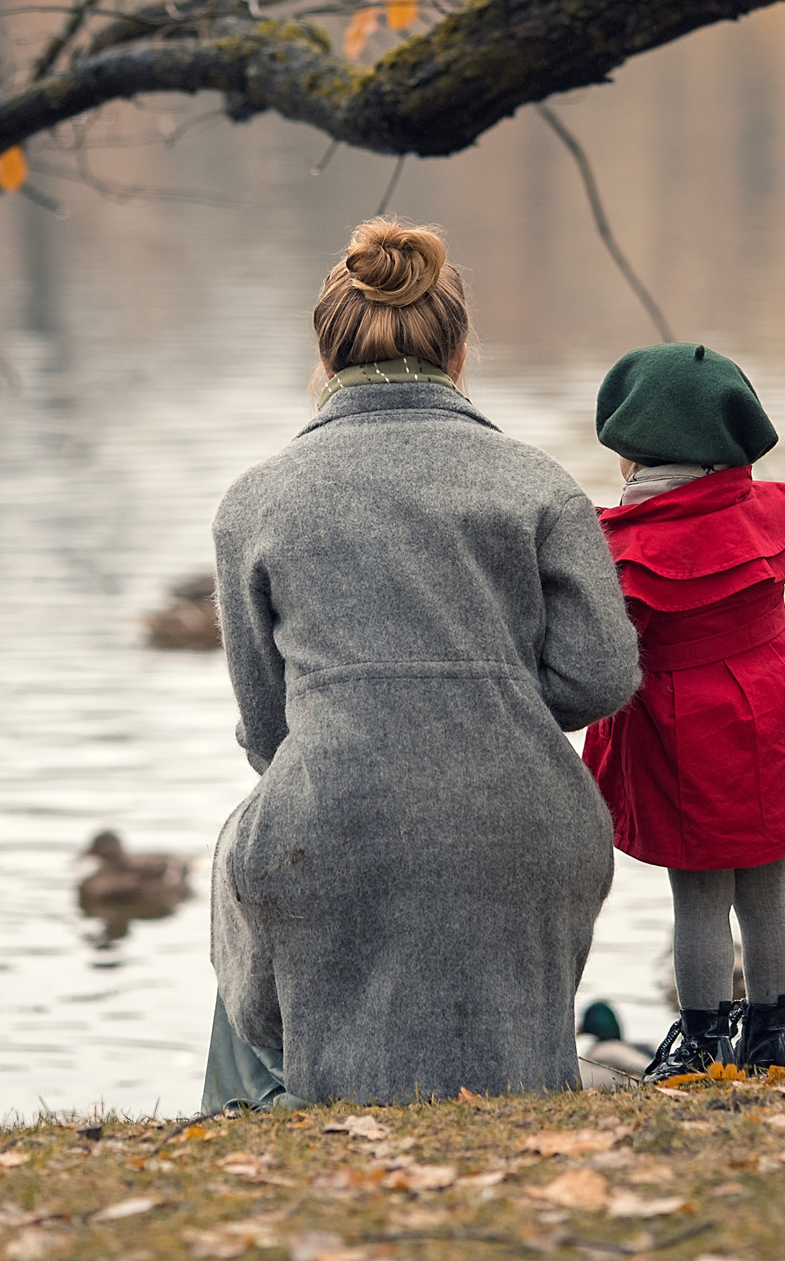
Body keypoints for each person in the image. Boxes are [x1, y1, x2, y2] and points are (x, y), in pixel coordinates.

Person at [201, 219, 642, 1109]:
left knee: (249, 874)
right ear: (459, 348)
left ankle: (257, 1113)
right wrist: (490, 698)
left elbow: (267, 729)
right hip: (528, 828)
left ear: (324, 357)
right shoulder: (536, 483)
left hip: (329, 825)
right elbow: (602, 675)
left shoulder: (256, 500)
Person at [580, 343, 785, 1077]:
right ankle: (774, 1037)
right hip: (777, 707)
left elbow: (617, 649)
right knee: (769, 890)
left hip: (691, 729)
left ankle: (704, 1041)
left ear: (636, 453)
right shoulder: (762, 514)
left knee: (700, 894)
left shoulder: (636, 546)